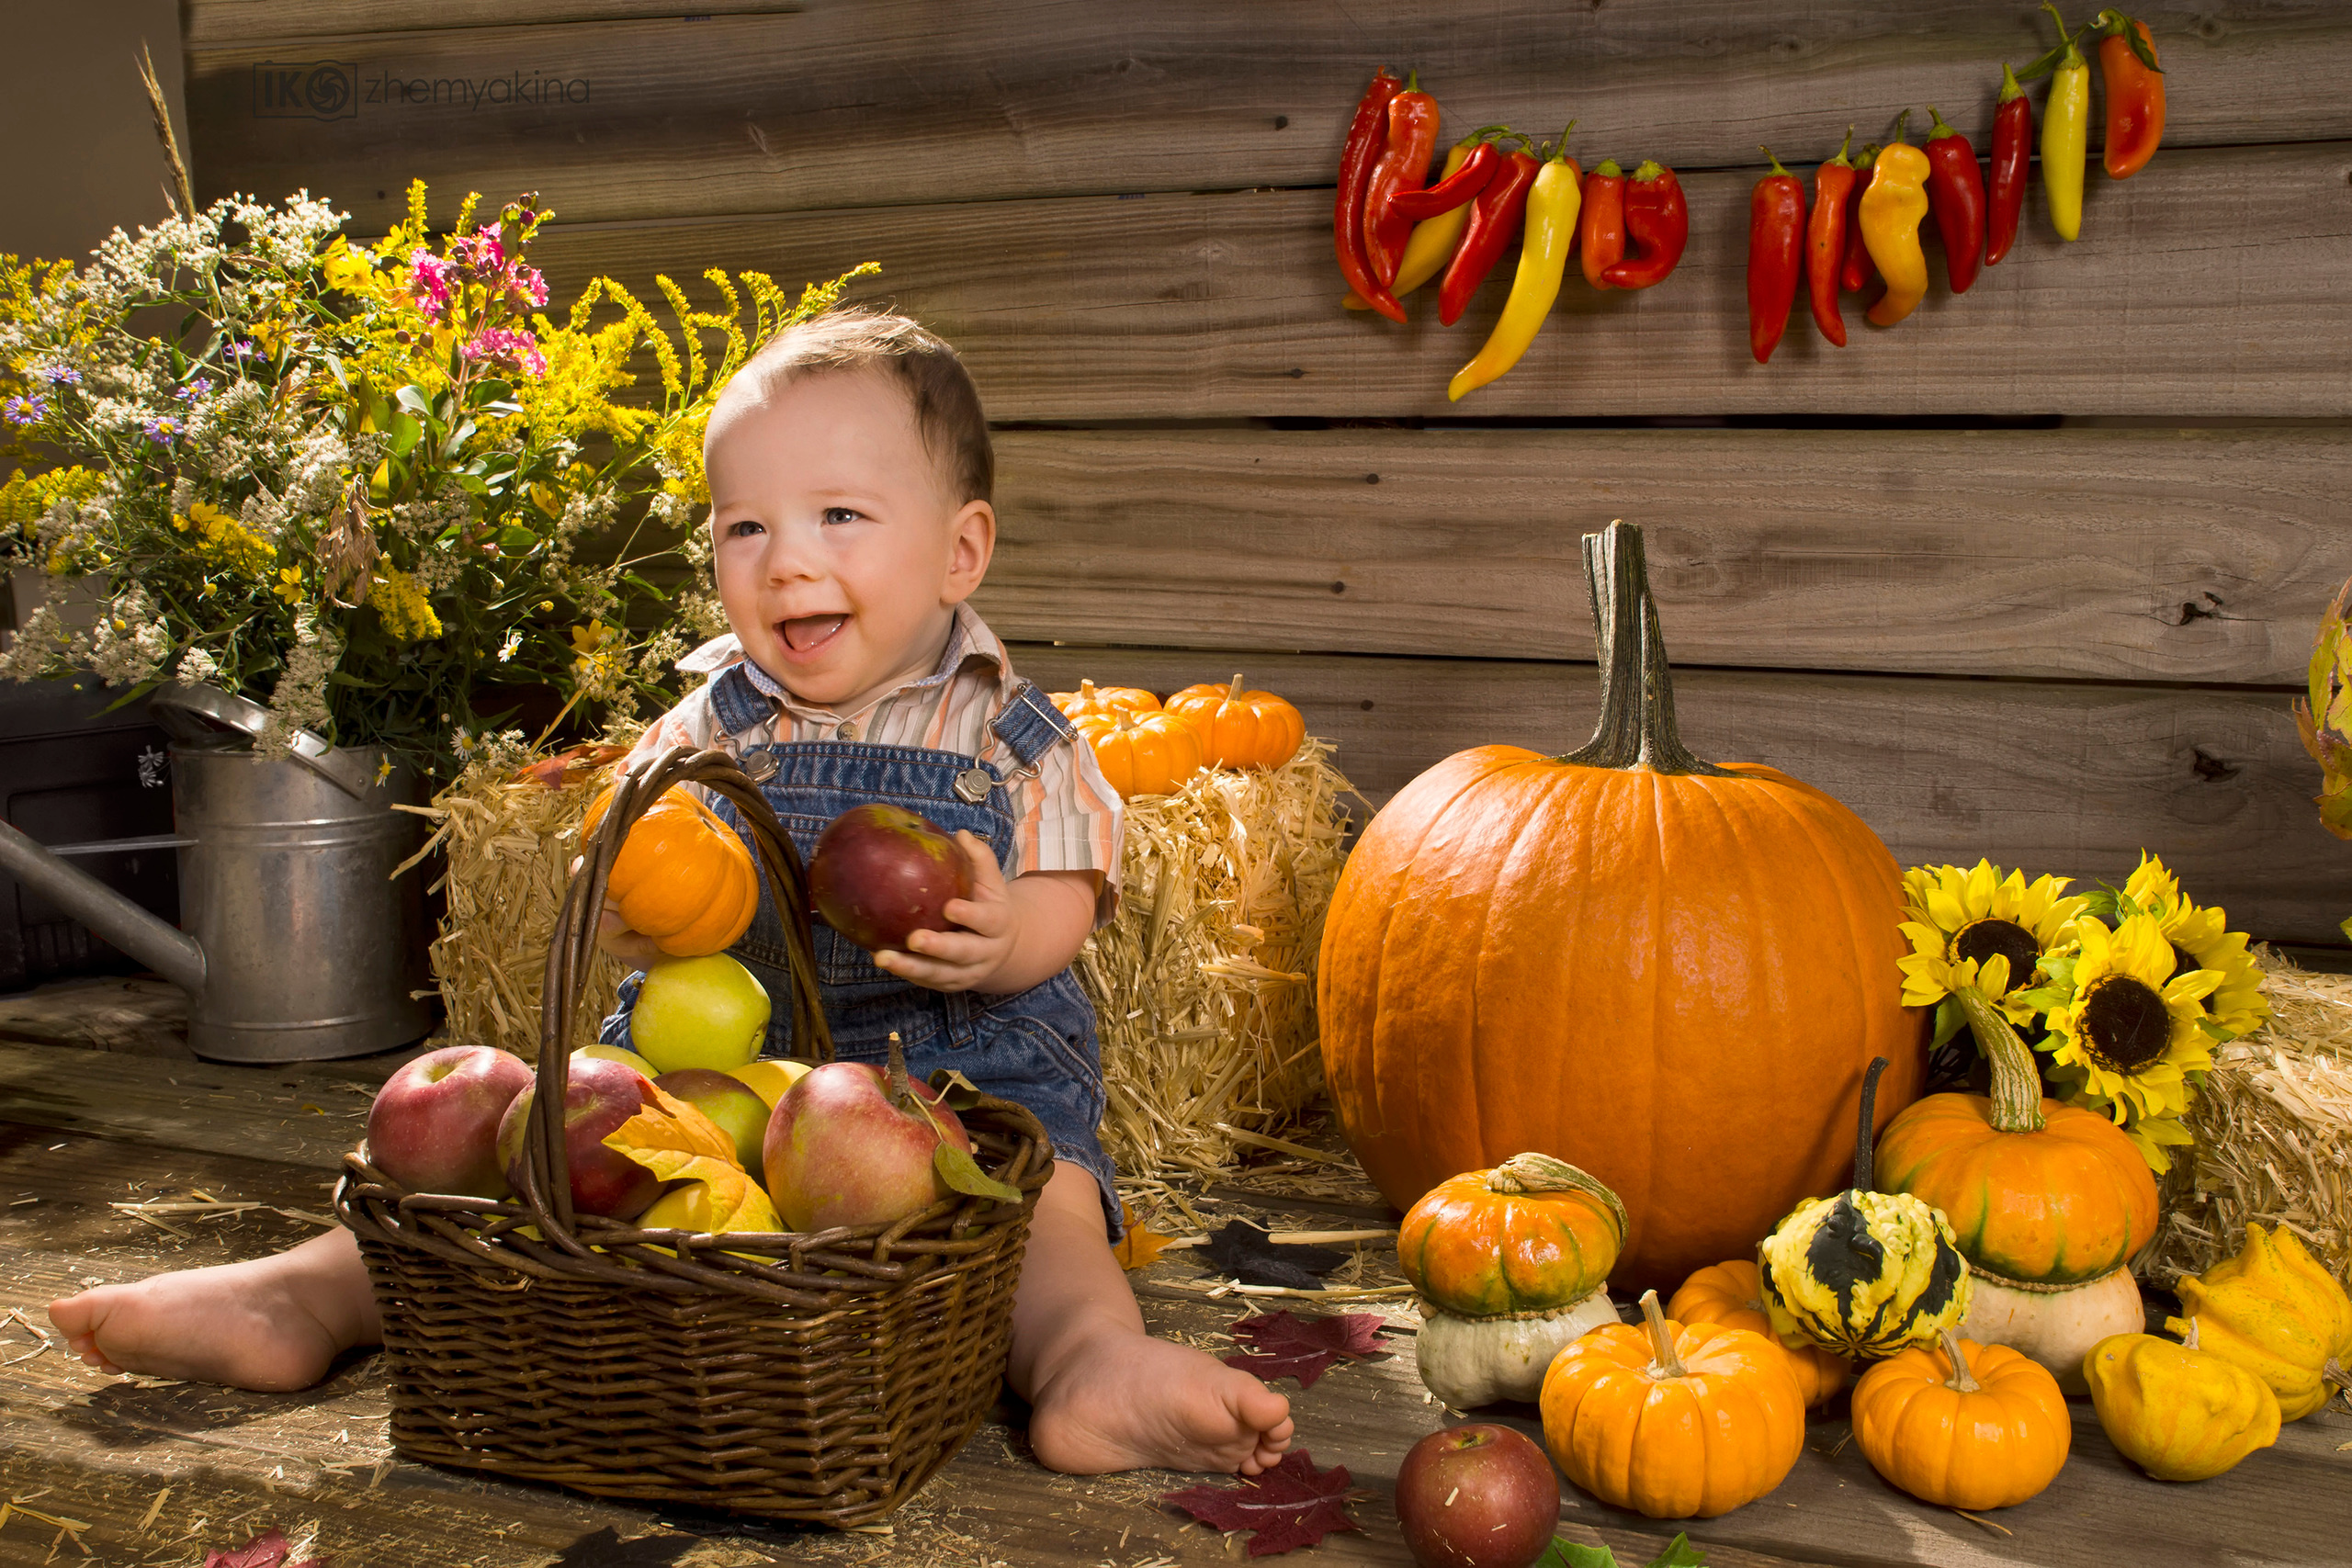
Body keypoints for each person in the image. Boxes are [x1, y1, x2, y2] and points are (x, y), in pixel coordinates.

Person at [47, 308, 1295, 1479]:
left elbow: (1073, 888)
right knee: (541, 1173)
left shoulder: (1008, 732)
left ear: (962, 548)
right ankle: (311, 1295)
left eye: (841, 516)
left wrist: (1007, 932)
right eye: (745, 529)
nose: (787, 560)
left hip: (953, 1068)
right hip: (719, 1066)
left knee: (1045, 1212)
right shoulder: (708, 723)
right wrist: (625, 915)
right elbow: (623, 861)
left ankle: (1087, 1361)